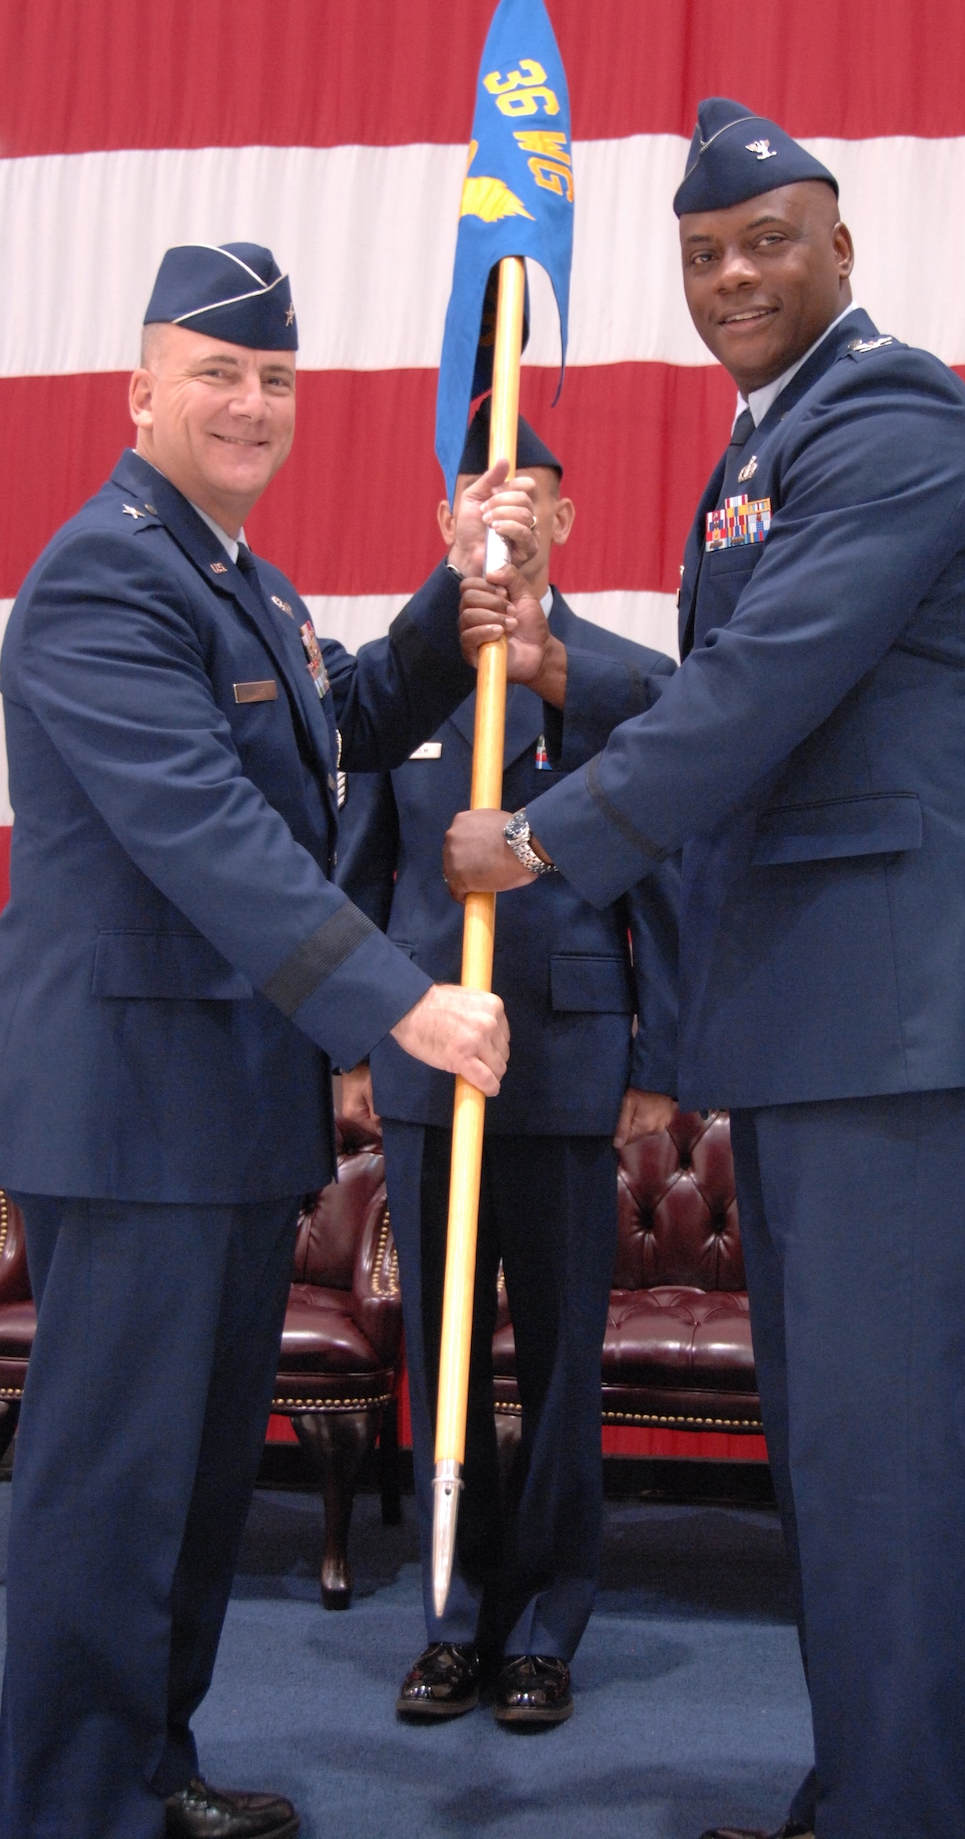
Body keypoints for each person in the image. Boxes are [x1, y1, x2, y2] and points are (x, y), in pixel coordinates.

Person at [444, 102, 965, 1839]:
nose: (733, 275)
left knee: (873, 1466)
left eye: (769, 243)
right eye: (705, 255)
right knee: (834, 1456)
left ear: (842, 251)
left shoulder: (891, 417)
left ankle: (917, 1816)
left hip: (890, 1004)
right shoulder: (764, 444)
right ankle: (873, 1786)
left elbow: (765, 695)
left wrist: (544, 838)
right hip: (822, 1012)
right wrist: (571, 669)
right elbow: (767, 708)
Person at [0, 240, 538, 1839]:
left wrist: (455, 598)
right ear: (141, 390)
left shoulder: (246, 585)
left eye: (276, 379)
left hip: (217, 1115)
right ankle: (70, 1808)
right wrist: (401, 1002)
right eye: (218, 372)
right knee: (113, 1497)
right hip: (127, 1116)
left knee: (199, 1488)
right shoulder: (106, 573)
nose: (252, 402)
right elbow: (206, 833)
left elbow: (336, 724)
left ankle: (149, 1767)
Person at [336, 404, 679, 1730]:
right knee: (442, 1356)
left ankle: (544, 1623)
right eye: (483, 494)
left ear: (567, 522)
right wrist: (352, 1043)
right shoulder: (404, 678)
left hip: (570, 1056)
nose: (509, 514)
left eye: (533, 494)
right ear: (445, 524)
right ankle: (456, 1617)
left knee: (558, 1363)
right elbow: (357, 871)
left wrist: (659, 1050)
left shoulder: (617, 679)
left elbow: (672, 881)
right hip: (426, 1067)